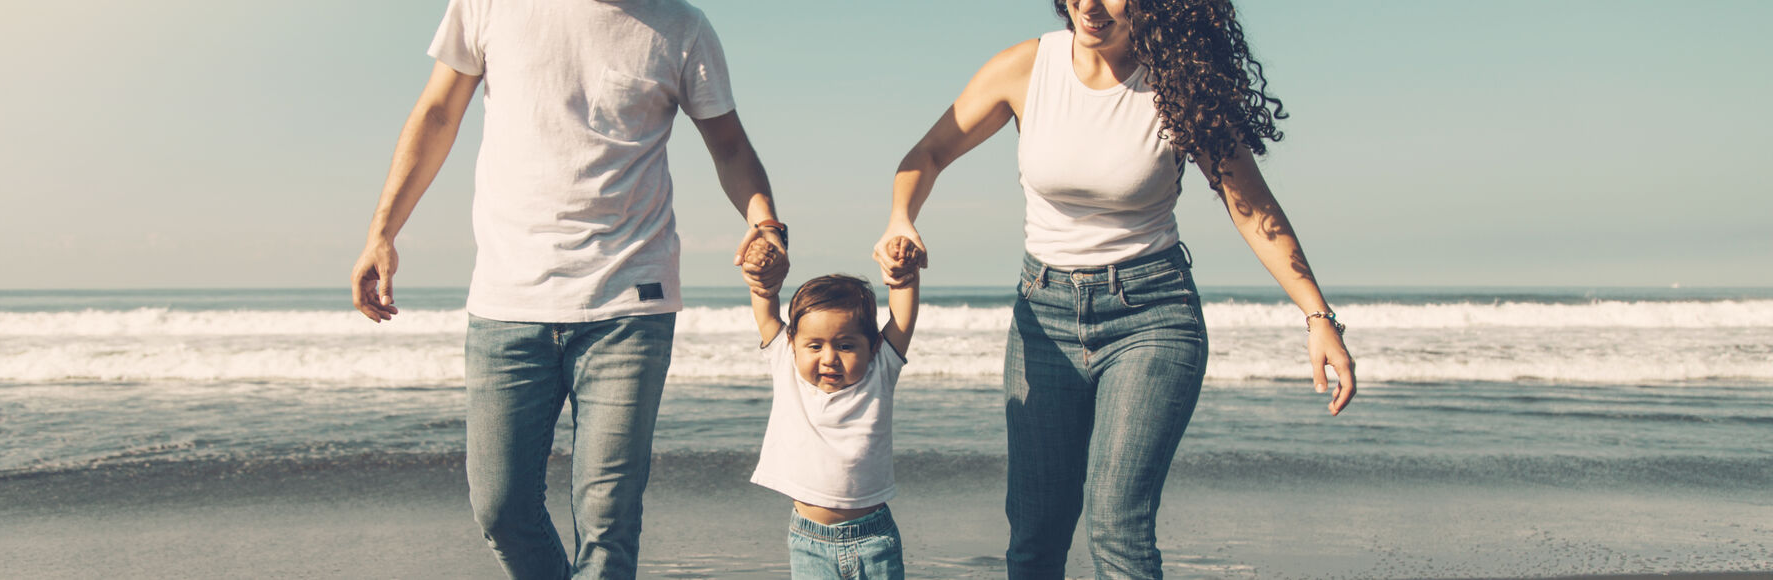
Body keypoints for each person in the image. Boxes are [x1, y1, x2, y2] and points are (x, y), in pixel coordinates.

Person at [870, 0, 1358, 578]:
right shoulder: (1027, 68)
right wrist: (902, 216)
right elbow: (927, 153)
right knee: (1035, 531)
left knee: (1117, 528)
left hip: (1152, 315)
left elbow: (1252, 209)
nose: (1090, 5)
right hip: (1043, 314)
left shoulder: (1179, 82)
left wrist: (1318, 316)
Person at [347, 0, 788, 577]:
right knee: (501, 510)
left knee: (608, 525)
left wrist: (766, 224)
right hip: (508, 301)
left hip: (631, 301)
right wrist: (382, 231)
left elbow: (728, 144)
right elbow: (436, 114)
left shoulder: (681, 26)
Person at [741, 236, 922, 580]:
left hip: (875, 540)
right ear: (793, 343)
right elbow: (765, 302)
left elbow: (903, 314)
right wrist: (762, 268)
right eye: (815, 345)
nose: (829, 358)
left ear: (873, 346)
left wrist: (904, 273)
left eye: (844, 345)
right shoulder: (785, 362)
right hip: (809, 543)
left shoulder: (879, 371)